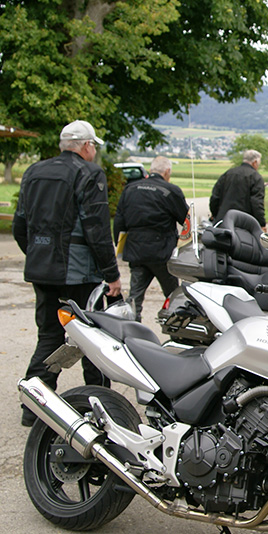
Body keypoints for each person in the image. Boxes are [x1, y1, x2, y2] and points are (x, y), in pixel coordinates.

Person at [12, 120, 121, 426]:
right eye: (93, 146)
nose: (94, 151)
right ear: (86, 146)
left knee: (49, 336)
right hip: (79, 273)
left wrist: (37, 254)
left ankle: (33, 406)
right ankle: (102, 405)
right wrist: (111, 274)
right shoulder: (89, 173)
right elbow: (97, 229)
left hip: (42, 269)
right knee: (91, 338)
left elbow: (20, 225)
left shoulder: (33, 171)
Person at [114, 156, 189, 322]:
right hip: (162, 252)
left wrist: (119, 246)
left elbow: (119, 222)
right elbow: (185, 220)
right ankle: (175, 328)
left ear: (151, 169)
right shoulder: (171, 191)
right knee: (173, 296)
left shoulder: (130, 189)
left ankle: (131, 329)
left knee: (134, 297)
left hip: (137, 251)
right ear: (167, 172)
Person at [210, 149, 266, 230]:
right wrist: (261, 223)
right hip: (244, 224)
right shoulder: (256, 178)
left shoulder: (228, 174)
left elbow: (215, 197)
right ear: (255, 162)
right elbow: (256, 203)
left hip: (223, 222)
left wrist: (215, 215)